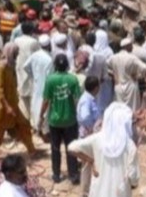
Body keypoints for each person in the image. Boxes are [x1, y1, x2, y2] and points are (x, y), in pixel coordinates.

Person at [68, 102, 139, 197]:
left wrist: (90, 160)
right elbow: (133, 179)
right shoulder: (130, 146)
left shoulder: (97, 139)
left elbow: (71, 147)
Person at [0, 43, 36, 158]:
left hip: (13, 103)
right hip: (2, 106)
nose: (18, 55)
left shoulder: (10, 65)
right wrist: (7, 106)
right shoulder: (1, 67)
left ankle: (31, 150)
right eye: (16, 53)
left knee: (24, 125)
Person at [39, 54, 81, 184]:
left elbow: (46, 101)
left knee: (55, 148)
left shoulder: (50, 80)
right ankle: (73, 175)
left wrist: (41, 115)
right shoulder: (73, 79)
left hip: (55, 121)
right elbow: (77, 100)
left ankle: (56, 175)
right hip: (70, 120)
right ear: (67, 65)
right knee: (71, 148)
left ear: (55, 65)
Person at [107, 38, 146, 113]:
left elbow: (105, 66)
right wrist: (139, 76)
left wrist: (113, 75)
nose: (132, 47)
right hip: (130, 86)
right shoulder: (132, 58)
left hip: (118, 86)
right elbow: (144, 67)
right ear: (127, 46)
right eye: (131, 45)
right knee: (133, 111)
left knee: (120, 111)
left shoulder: (114, 57)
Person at [23, 34, 54, 132]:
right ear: (49, 45)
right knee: (45, 105)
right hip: (46, 84)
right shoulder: (50, 58)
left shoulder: (34, 55)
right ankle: (44, 129)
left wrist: (33, 76)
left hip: (36, 83)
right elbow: (50, 75)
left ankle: (36, 126)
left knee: (35, 103)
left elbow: (25, 66)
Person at [77, 76, 101, 195]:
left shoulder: (88, 98)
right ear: (96, 88)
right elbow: (85, 117)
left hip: (89, 136)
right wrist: (91, 128)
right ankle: (85, 192)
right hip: (88, 137)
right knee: (87, 164)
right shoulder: (87, 100)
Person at [14, 21, 40, 121]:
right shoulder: (33, 42)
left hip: (20, 69)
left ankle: (25, 120)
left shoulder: (16, 40)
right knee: (33, 97)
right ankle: (34, 121)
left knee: (23, 96)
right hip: (31, 71)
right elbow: (38, 56)